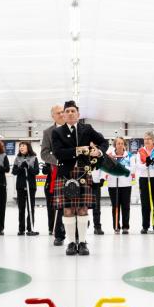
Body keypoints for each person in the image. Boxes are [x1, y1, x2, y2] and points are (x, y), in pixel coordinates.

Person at [51, 100, 108, 256]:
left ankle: (82, 243)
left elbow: (104, 142)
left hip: (84, 172)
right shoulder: (57, 132)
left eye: (73, 111)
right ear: (63, 114)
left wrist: (99, 152)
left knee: (83, 209)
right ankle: (70, 243)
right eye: (67, 111)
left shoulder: (87, 129)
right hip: (66, 173)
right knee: (68, 210)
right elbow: (57, 153)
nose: (70, 113)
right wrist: (77, 150)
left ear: (78, 114)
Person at [41, 105, 67, 244]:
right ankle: (58, 234)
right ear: (53, 116)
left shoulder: (72, 129)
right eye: (58, 113)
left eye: (63, 112)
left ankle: (75, 233)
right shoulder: (48, 132)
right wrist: (58, 160)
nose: (62, 114)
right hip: (56, 172)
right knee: (57, 203)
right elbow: (44, 153)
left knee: (72, 203)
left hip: (72, 172)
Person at [136, 132, 154, 234]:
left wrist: (152, 163)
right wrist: (146, 165)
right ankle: (145, 226)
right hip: (144, 178)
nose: (147, 141)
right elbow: (138, 166)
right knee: (145, 204)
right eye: (145, 139)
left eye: (149, 139)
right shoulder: (140, 151)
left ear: (153, 140)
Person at [12, 141, 40, 236]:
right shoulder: (17, 158)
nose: (21, 147)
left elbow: (36, 172)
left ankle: (30, 228)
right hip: (20, 185)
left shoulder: (34, 158)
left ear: (28, 147)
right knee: (21, 208)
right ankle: (21, 229)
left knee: (30, 207)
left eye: (23, 146)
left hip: (31, 186)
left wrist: (28, 167)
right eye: (20, 146)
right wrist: (21, 167)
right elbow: (14, 172)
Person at [105, 137, 133, 234]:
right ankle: (116, 226)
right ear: (115, 145)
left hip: (126, 184)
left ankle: (125, 226)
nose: (120, 145)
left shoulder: (129, 155)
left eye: (122, 143)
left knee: (125, 206)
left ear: (124, 145)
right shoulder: (109, 156)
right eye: (118, 143)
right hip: (113, 184)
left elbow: (132, 168)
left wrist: (120, 167)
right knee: (115, 205)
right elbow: (106, 168)